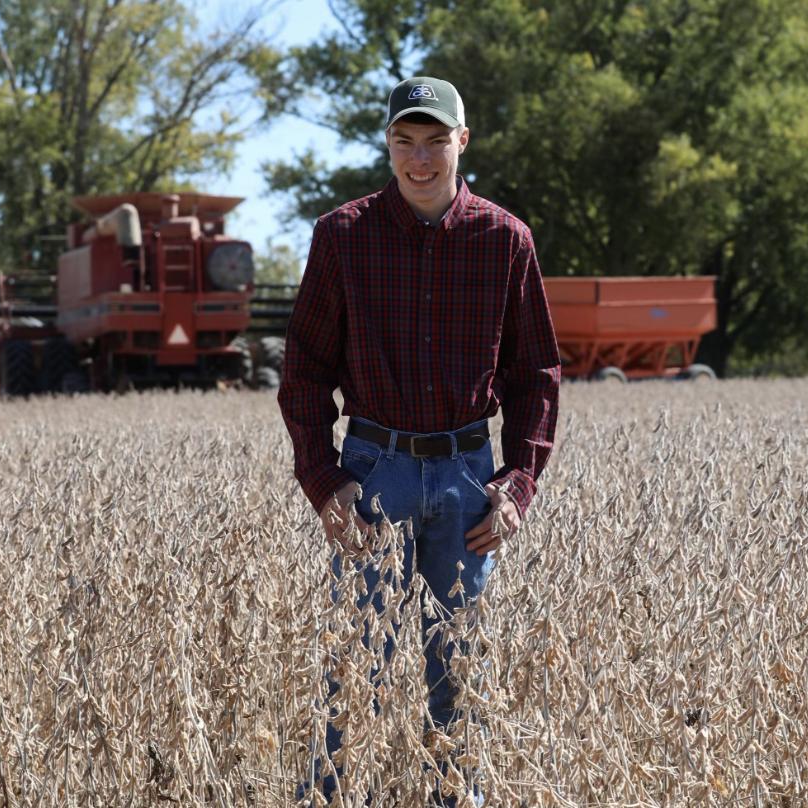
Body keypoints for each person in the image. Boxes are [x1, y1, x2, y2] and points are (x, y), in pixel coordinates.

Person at [278, 75, 561, 805]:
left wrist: (519, 483)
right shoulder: (342, 237)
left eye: (436, 141)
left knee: (460, 676)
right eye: (406, 142)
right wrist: (322, 478)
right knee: (356, 674)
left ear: (462, 142)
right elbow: (304, 370)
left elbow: (537, 376)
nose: (421, 159)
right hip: (374, 474)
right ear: (388, 145)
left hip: (469, 480)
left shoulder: (506, 240)